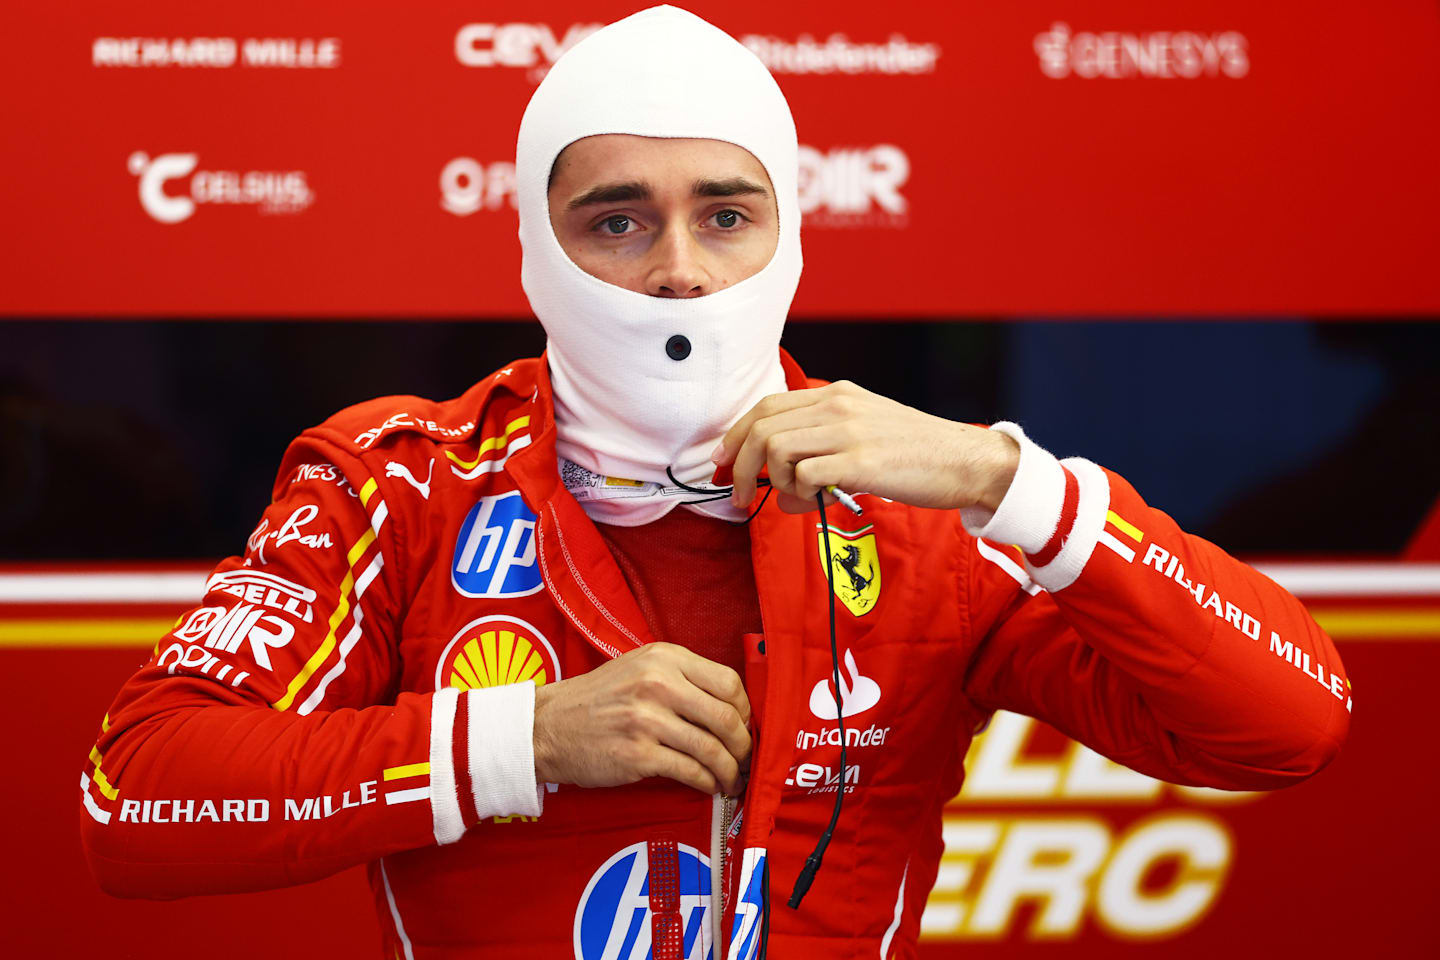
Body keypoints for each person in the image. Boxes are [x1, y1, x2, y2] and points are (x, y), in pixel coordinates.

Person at [78, 7, 1350, 959]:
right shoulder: (398, 482)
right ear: (535, 245)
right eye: (618, 221)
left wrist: (1009, 479)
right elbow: (135, 800)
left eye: (726, 215)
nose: (680, 270)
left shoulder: (932, 512)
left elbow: (1290, 725)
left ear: (789, 235)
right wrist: (524, 741)